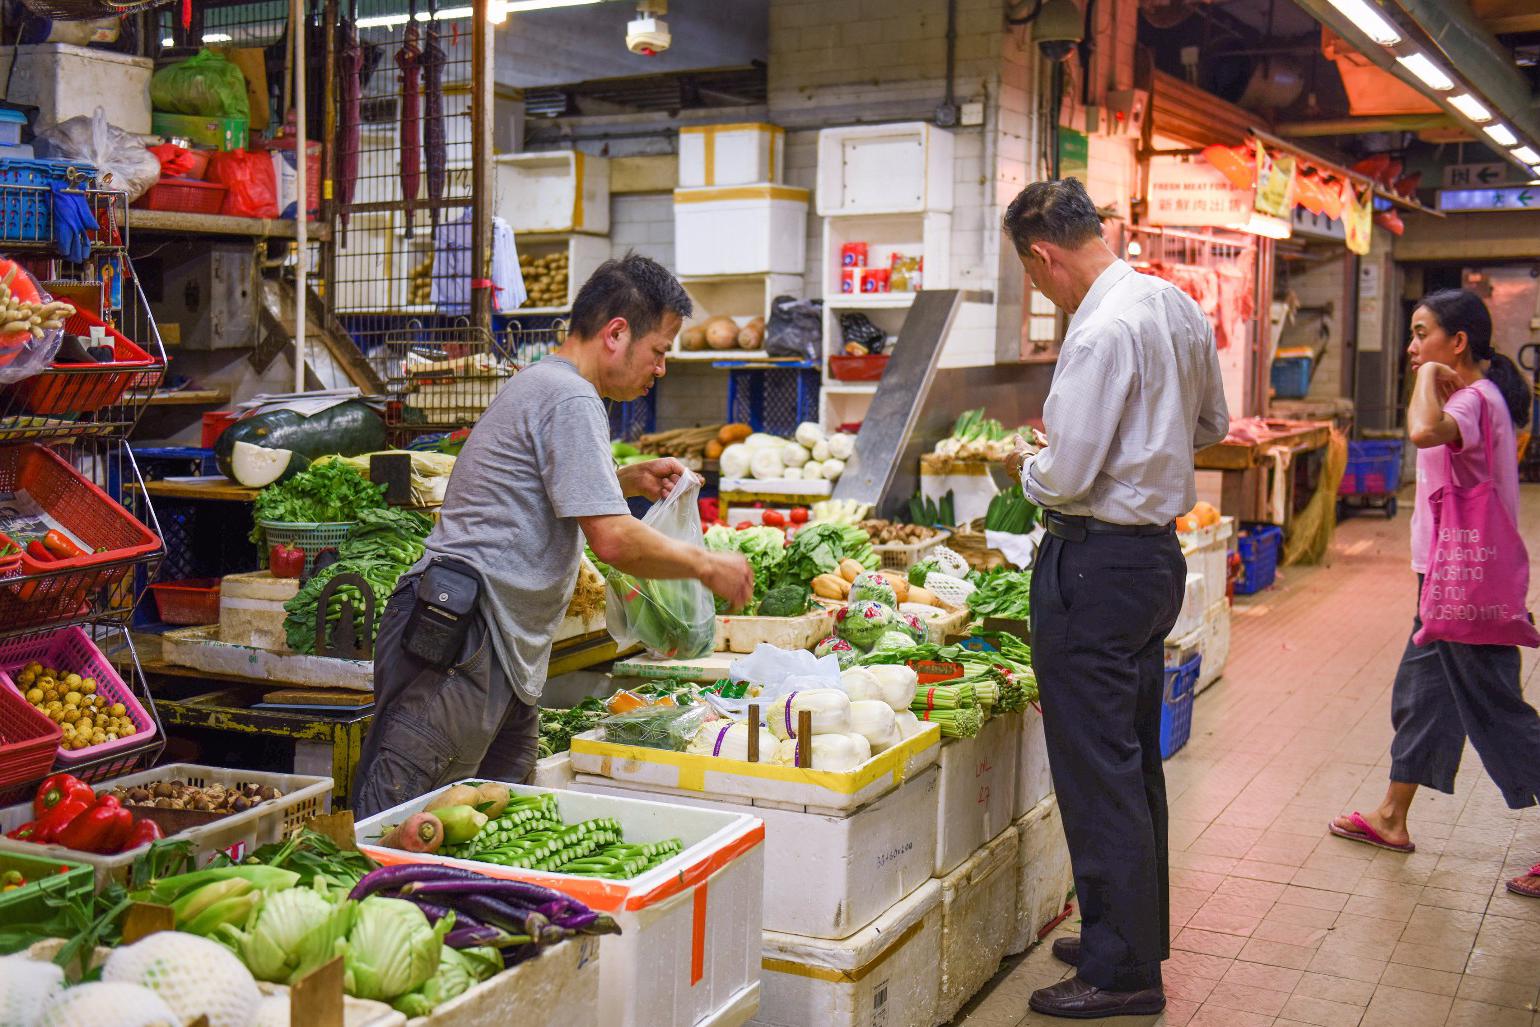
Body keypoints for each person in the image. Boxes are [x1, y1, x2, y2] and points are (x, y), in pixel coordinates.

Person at [352, 254, 754, 820]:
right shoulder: (569, 396)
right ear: (616, 334)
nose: (661, 368)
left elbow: (541, 495)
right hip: (464, 640)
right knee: (402, 824)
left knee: (497, 824)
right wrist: (704, 565)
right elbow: (612, 540)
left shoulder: (553, 386)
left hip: (499, 650)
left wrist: (624, 479)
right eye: (659, 351)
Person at [1001, 178, 1229, 1019]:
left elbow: (1065, 474)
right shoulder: (1172, 304)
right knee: (1130, 756)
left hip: (1093, 568)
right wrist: (1146, 445)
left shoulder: (1097, 331)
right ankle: (1125, 930)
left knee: (1096, 770)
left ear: (1044, 254)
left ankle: (1122, 968)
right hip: (1151, 561)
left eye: (1033, 277)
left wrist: (1026, 465)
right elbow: (1212, 424)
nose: (1041, 290)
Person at [1329, 288, 1540, 899]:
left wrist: (1427, 379)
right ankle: (1392, 816)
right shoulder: (1479, 396)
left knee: (1499, 714)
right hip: (1447, 580)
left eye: (1422, 334)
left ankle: (1395, 814)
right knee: (1422, 696)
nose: (1412, 346)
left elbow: (1422, 431)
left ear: (1459, 342)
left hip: (1466, 587)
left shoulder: (1472, 400)